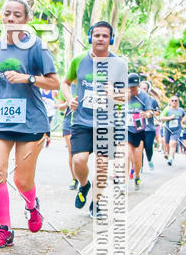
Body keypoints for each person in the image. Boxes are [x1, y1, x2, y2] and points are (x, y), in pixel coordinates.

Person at [0, 0, 59, 248]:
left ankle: (32, 205)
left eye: (17, 14)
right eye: (7, 14)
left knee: (22, 181)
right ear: (1, 16)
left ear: (27, 19)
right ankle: (5, 229)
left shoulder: (37, 46)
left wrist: (28, 78)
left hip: (31, 121)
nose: (11, 18)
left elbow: (54, 82)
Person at [61, 21, 122, 218]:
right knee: (79, 160)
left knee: (103, 166)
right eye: (97, 35)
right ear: (90, 37)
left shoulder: (119, 64)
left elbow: (126, 95)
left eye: (105, 36)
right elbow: (65, 82)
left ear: (110, 39)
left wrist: (115, 93)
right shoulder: (79, 60)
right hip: (81, 121)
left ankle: (96, 204)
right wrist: (69, 99)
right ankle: (84, 185)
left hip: (107, 123)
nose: (101, 39)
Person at [126, 74, 153, 187]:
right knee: (126, 155)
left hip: (139, 130)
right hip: (126, 129)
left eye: (134, 87)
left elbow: (150, 112)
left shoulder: (144, 96)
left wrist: (145, 114)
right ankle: (124, 182)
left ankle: (137, 175)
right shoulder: (123, 95)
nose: (132, 89)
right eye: (130, 87)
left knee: (137, 159)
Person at [57, 85, 77, 188]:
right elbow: (59, 106)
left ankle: (83, 175)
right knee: (72, 151)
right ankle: (74, 179)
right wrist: (69, 102)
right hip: (69, 123)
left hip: (84, 123)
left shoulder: (87, 83)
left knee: (81, 155)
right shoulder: (66, 86)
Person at [159, 95, 185, 165]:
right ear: (170, 101)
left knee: (173, 143)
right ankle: (168, 153)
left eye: (176, 101)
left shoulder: (181, 110)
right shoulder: (167, 109)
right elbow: (161, 118)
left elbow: (183, 117)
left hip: (177, 130)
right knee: (167, 145)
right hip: (167, 129)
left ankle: (170, 158)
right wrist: (170, 118)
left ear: (178, 102)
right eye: (172, 100)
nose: (174, 102)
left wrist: (182, 122)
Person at [140, 80, 159, 171]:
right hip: (139, 128)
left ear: (148, 90)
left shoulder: (152, 100)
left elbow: (157, 112)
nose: (142, 90)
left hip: (150, 128)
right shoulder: (136, 99)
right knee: (139, 148)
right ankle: (140, 166)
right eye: (141, 88)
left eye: (144, 88)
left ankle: (150, 160)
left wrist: (150, 113)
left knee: (148, 147)